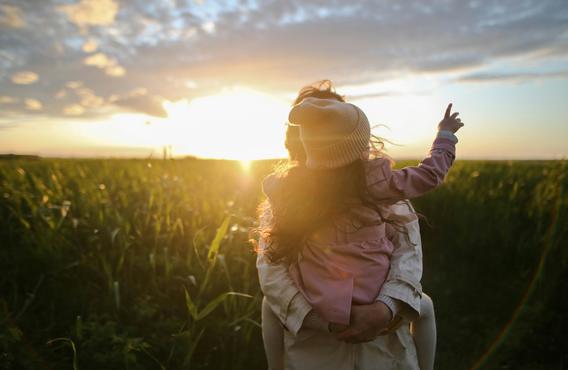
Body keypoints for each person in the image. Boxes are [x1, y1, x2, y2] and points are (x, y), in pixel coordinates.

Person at [256, 81, 463, 370]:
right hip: (312, 349)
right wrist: (444, 137)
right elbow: (272, 272)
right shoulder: (380, 186)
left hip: (385, 348)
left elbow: (408, 256)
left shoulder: (288, 193)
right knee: (424, 306)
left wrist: (384, 309)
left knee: (423, 305)